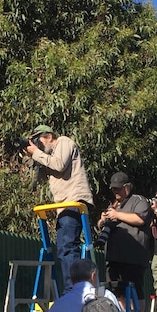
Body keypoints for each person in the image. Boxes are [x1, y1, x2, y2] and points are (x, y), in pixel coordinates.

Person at [23, 124, 94, 294]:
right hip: (64, 207)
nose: (37, 145)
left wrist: (37, 153)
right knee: (63, 249)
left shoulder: (63, 142)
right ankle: (70, 287)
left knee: (68, 247)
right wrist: (29, 157)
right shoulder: (49, 156)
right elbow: (37, 181)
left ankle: (72, 289)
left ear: (47, 136)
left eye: (37, 140)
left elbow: (60, 165)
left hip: (74, 202)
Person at [98, 171, 152, 310]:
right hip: (113, 257)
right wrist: (103, 220)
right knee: (115, 292)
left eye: (119, 188)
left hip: (133, 257)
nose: (116, 191)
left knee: (135, 292)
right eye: (113, 189)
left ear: (127, 187)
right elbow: (100, 225)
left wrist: (117, 215)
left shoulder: (139, 201)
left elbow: (140, 219)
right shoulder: (113, 205)